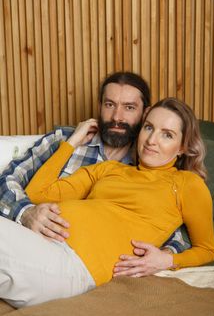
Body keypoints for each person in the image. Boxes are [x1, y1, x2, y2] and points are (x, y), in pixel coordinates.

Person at [0, 97, 214, 307]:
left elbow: (207, 249)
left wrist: (168, 260)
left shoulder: (187, 184)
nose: (152, 140)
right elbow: (38, 193)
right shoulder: (110, 168)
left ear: (182, 147)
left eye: (167, 135)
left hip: (73, 265)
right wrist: (72, 142)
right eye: (149, 128)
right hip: (39, 242)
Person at [0, 72, 188, 268]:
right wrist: (26, 213)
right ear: (99, 106)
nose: (117, 117)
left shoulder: (152, 165)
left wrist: (166, 256)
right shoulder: (63, 139)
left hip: (80, 264)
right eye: (110, 105)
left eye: (129, 107)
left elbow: (175, 229)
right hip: (23, 243)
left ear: (146, 113)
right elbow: (7, 180)